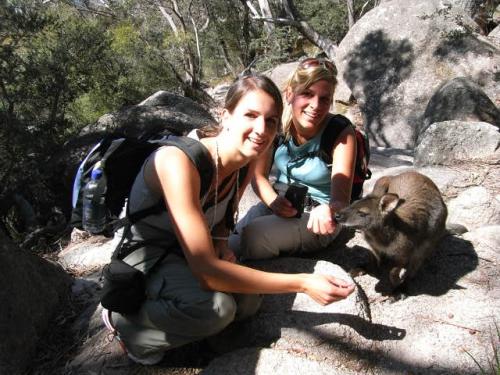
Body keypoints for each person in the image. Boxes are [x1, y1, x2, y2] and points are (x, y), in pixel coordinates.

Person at [102, 74, 355, 365]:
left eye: (271, 121)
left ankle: (184, 321)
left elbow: (223, 220)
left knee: (248, 302)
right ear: (226, 116)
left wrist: (222, 243)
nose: (261, 130)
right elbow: (208, 272)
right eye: (250, 115)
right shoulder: (177, 161)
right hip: (150, 256)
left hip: (185, 253)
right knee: (218, 310)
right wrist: (303, 283)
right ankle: (127, 326)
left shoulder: (243, 161)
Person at [229, 58, 357, 260]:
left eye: (324, 98)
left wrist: (329, 209)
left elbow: (341, 200)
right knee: (228, 245)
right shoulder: (276, 125)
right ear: (289, 94)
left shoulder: (339, 131)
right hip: (279, 202)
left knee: (255, 236)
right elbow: (259, 176)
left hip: (318, 216)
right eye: (307, 94)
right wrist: (273, 201)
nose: (316, 105)